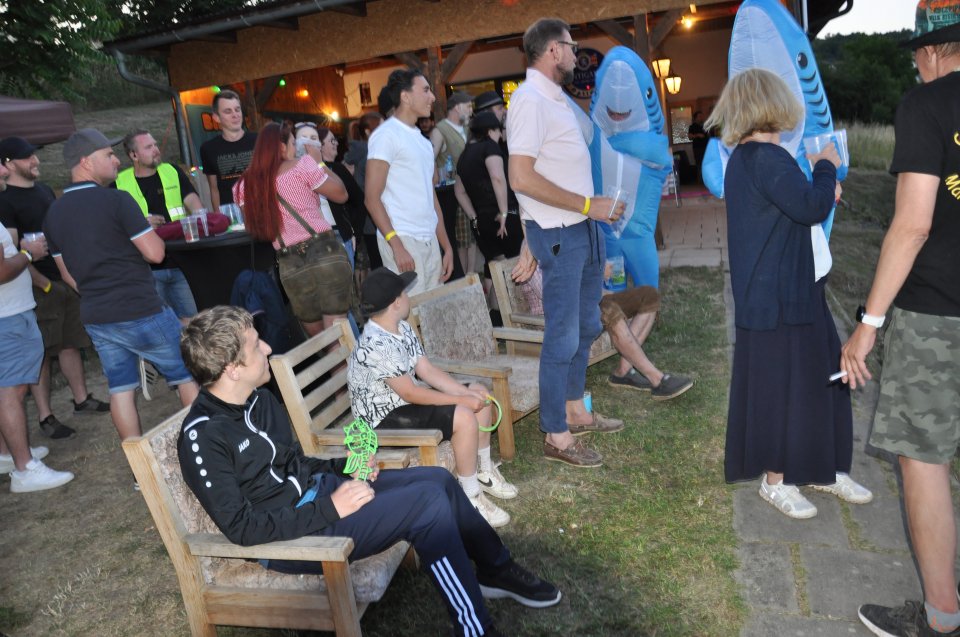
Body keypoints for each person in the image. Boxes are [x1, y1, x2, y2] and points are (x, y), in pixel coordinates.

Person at [178, 305, 561, 636]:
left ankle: (496, 568)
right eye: (255, 345)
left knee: (438, 480)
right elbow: (243, 528)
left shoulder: (259, 400)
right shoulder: (202, 437)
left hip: (320, 497)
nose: (267, 347)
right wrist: (331, 508)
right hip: (291, 536)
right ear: (232, 369)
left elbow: (295, 465)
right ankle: (475, 628)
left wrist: (346, 467)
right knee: (427, 504)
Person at [704, 69, 871, 519]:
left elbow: (797, 204)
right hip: (777, 297)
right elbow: (811, 205)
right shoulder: (766, 157)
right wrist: (826, 165)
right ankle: (776, 480)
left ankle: (820, 467)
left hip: (791, 289)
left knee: (819, 377)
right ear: (772, 105)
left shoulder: (748, 158)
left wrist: (819, 182)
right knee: (783, 388)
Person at [842, 3, 960, 634]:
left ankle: (941, 618)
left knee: (924, 459)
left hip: (938, 313)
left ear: (934, 50)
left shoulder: (927, 106)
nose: (915, 67)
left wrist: (869, 321)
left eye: (916, 55)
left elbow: (913, 224)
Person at [506, 17, 626, 468]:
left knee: (587, 324)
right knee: (562, 334)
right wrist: (586, 206)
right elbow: (520, 177)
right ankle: (556, 435)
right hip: (561, 231)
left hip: (581, 228)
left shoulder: (555, 98)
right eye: (572, 46)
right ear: (553, 50)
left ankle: (575, 409)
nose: (578, 55)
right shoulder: (529, 100)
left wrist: (586, 212)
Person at [43, 128, 200, 441]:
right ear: (86, 162)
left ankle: (136, 462)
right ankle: (204, 449)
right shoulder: (117, 200)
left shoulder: (53, 213)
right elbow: (155, 254)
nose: (116, 160)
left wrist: (98, 291)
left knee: (121, 389)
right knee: (187, 375)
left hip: (98, 315)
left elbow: (67, 274)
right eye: (109, 155)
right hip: (142, 308)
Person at [347, 267, 516, 528]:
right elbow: (410, 392)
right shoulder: (375, 344)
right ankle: (470, 496)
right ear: (396, 303)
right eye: (404, 293)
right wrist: (460, 402)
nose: (408, 296)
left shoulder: (401, 327)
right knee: (464, 416)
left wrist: (466, 392)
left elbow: (426, 370)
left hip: (403, 404)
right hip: (383, 420)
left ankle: (483, 471)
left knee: (479, 395)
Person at [0, 136, 109, 440]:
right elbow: (13, 252)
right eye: (27, 157)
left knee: (70, 342)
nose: (35, 161)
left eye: (34, 155)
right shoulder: (5, 200)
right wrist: (45, 284)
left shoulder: (45, 190)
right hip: (38, 286)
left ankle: (81, 398)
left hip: (62, 278)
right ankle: (46, 416)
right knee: (42, 353)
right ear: (8, 163)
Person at [234, 122, 351, 337]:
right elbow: (342, 194)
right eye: (293, 143)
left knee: (322, 341)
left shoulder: (244, 185)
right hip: (323, 251)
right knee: (338, 336)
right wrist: (320, 163)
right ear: (281, 146)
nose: (295, 148)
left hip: (290, 263)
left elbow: (254, 227)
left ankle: (336, 361)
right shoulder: (302, 165)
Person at [0, 158, 74, 493]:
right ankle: (25, 469)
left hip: (9, 314)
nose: (4, 171)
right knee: (11, 391)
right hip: (8, 316)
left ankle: (7, 455)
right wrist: (28, 253)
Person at [521, 262, 694, 400]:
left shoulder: (563, 241)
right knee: (609, 309)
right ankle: (656, 378)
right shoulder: (532, 254)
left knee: (649, 296)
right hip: (561, 317)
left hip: (587, 303)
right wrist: (593, 278)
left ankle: (624, 371)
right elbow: (555, 295)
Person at [365, 68, 455, 296]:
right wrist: (396, 245)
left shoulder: (423, 142)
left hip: (429, 240)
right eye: (425, 90)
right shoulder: (386, 135)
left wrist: (446, 246)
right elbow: (371, 198)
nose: (432, 97)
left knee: (434, 310)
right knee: (410, 313)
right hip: (402, 238)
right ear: (405, 96)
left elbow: (431, 198)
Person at [116, 128, 202, 323]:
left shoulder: (172, 171)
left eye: (155, 144)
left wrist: (201, 218)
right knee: (158, 324)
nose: (156, 150)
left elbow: (195, 204)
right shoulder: (118, 183)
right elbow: (112, 227)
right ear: (134, 155)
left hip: (181, 262)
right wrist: (141, 224)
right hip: (146, 269)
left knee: (194, 322)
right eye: (149, 147)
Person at [454, 110, 523, 287]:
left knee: (497, 271)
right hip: (503, 217)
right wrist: (504, 212)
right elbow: (497, 178)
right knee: (516, 268)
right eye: (499, 130)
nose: (500, 135)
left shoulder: (464, 154)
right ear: (490, 130)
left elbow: (459, 191)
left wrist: (474, 217)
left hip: (481, 221)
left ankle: (496, 306)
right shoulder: (490, 147)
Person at [431, 91, 478, 275]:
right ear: (457, 107)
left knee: (473, 235)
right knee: (462, 239)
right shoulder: (440, 130)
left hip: (471, 189)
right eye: (468, 106)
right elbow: (429, 158)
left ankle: (472, 273)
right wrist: (437, 176)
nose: (471, 110)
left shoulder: (467, 128)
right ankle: (461, 277)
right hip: (452, 194)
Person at [199, 89, 257, 217]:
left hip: (261, 210)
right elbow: (214, 189)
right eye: (228, 111)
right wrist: (219, 219)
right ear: (216, 117)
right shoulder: (208, 148)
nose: (235, 115)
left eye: (237, 109)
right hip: (231, 215)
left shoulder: (259, 140)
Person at [343, 111, 385, 273]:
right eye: (381, 126)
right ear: (368, 131)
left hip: (369, 216)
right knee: (380, 263)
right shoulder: (367, 151)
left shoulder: (363, 151)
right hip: (373, 215)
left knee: (377, 262)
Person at [688, 111, 709, 184]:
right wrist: (697, 135)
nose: (701, 118)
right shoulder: (692, 127)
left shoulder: (704, 126)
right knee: (699, 164)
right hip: (697, 148)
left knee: (706, 163)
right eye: (699, 116)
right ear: (695, 118)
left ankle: (706, 180)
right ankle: (700, 182)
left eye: (702, 116)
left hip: (706, 148)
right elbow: (690, 137)